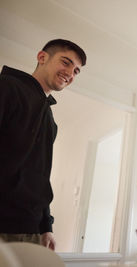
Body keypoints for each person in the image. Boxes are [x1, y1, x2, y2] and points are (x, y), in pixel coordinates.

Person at [0, 39, 86, 250]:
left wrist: (45, 225)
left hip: (30, 228)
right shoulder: (7, 87)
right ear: (42, 57)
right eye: (66, 62)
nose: (70, 73)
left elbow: (39, 176)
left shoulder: (49, 118)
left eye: (76, 71)